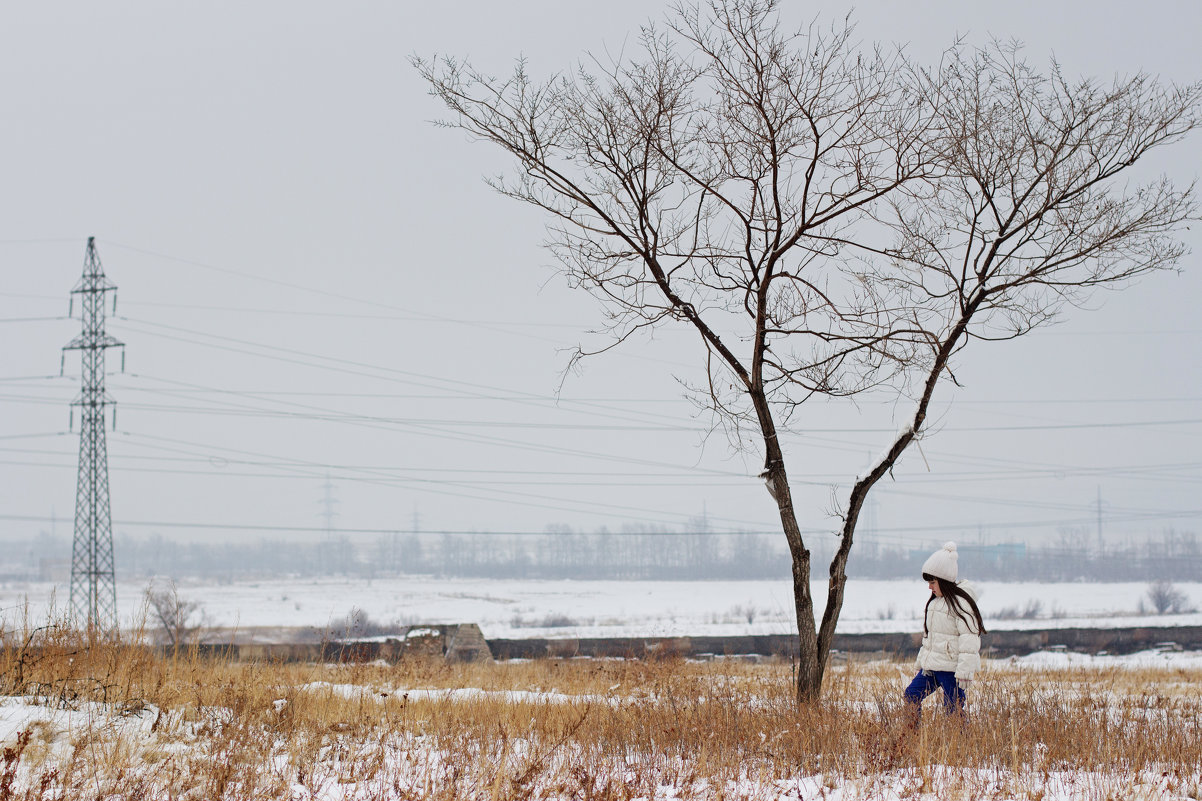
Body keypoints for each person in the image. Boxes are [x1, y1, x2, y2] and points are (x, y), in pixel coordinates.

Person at [903, 541, 986, 717]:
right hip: (932, 668)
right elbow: (929, 639)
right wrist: (921, 663)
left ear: (944, 581)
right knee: (911, 695)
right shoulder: (934, 604)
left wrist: (965, 671)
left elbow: (969, 640)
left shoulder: (961, 604)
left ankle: (961, 742)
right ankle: (912, 737)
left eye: (932, 582)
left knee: (953, 709)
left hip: (951, 670)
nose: (929, 587)